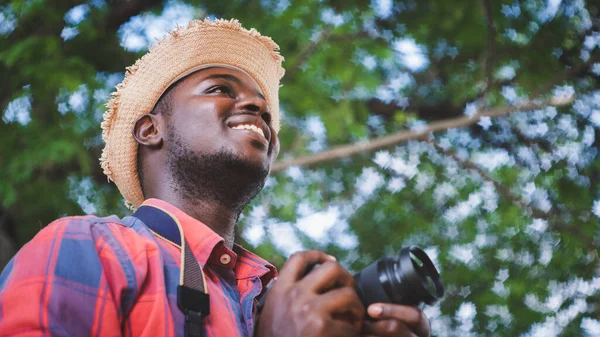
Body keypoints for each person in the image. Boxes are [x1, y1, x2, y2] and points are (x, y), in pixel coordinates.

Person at [0, 19, 429, 337]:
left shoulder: (282, 298)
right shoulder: (89, 248)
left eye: (263, 105)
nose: (257, 108)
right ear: (151, 130)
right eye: (221, 89)